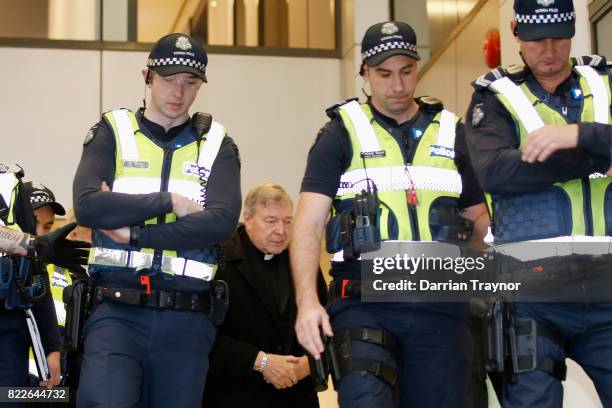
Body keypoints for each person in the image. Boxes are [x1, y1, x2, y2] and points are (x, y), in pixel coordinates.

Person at [291, 21, 488, 408]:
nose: (397, 85)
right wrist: (307, 303)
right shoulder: (339, 135)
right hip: (364, 303)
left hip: (440, 306)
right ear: (364, 73)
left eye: (406, 72)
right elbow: (308, 223)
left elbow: (480, 222)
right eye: (384, 74)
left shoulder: (452, 132)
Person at [73, 32, 241, 407]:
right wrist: (171, 201)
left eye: (190, 81)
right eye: (168, 79)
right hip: (117, 312)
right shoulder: (111, 132)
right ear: (146, 75)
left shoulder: (217, 144)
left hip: (188, 317)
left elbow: (221, 224)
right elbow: (88, 207)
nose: (178, 91)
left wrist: (133, 233)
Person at [465, 0, 612, 406]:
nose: (548, 50)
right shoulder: (492, 97)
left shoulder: (605, 80)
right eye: (536, 39)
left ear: (573, 28)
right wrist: (598, 156)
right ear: (515, 31)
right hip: (532, 288)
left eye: (558, 38)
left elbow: (523, 166)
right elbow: (497, 172)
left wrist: (579, 134)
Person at [204, 183, 325, 408]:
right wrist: (260, 361)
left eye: (288, 221)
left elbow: (326, 325)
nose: (281, 230)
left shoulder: (303, 260)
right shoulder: (217, 260)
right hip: (235, 395)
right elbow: (202, 336)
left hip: (296, 395)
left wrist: (310, 364)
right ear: (248, 219)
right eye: (271, 221)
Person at [0, 164, 89, 400]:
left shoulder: (51, 267)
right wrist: (37, 246)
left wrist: (52, 348)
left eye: (49, 228)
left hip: (25, 375)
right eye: (38, 225)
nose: (42, 233)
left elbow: (40, 288)